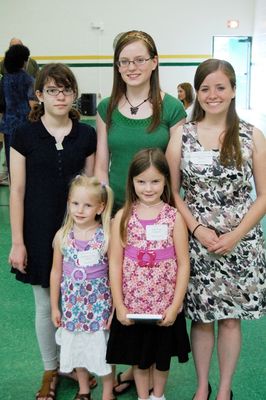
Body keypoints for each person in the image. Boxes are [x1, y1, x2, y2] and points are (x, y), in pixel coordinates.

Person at [166, 59, 266, 400]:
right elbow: (172, 191)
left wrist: (236, 235)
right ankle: (201, 387)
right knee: (202, 318)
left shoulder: (252, 135)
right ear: (197, 93)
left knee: (231, 320)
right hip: (197, 244)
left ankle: (224, 390)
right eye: (205, 88)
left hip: (240, 244)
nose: (212, 95)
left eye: (220, 87)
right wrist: (195, 229)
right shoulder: (182, 133)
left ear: (234, 90)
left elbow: (264, 195)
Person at [8, 63, 97, 400]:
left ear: (74, 94)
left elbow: (91, 189)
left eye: (67, 89)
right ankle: (51, 368)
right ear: (40, 94)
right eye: (53, 90)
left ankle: (78, 366)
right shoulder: (23, 135)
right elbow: (16, 190)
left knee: (78, 302)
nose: (60, 96)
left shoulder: (87, 135)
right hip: (37, 230)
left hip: (79, 234)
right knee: (45, 305)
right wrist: (18, 241)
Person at [106, 148, 191, 400]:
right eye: (141, 181)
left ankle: (158, 396)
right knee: (139, 358)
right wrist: (119, 305)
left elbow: (184, 263)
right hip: (134, 306)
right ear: (132, 181)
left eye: (155, 181)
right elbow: (115, 264)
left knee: (162, 357)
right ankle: (143, 396)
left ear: (166, 180)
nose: (148, 188)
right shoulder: (122, 217)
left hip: (164, 304)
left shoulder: (174, 217)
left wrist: (175, 305)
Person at [95, 30, 186, 214]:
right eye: (125, 61)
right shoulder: (106, 107)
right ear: (118, 66)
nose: (131, 67)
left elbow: (175, 172)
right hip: (115, 209)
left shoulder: (173, 108)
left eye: (139, 60)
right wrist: (105, 205)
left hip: (157, 211)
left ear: (154, 62)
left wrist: (166, 210)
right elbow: (102, 166)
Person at [50, 175, 115, 400]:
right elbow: (56, 272)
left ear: (100, 207)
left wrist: (115, 308)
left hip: (98, 305)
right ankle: (84, 388)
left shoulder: (106, 236)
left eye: (87, 205)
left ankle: (108, 391)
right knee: (76, 346)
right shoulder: (63, 236)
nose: (80, 210)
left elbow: (114, 273)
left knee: (102, 348)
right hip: (72, 306)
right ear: (68, 202)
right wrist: (54, 307)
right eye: (75, 203)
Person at [0, 44, 35, 174]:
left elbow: (2, 104)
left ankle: (12, 187)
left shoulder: (5, 79)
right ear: (23, 61)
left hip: (8, 125)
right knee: (26, 161)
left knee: (11, 162)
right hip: (25, 125)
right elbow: (33, 105)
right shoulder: (28, 79)